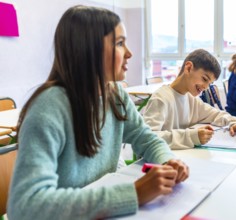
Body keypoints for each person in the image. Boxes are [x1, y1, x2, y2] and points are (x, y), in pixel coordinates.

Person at [8, 5, 189, 220]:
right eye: (120, 43)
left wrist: (167, 160)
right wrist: (134, 194)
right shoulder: (49, 107)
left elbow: (147, 139)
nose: (130, 53)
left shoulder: (116, 95)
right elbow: (25, 206)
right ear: (89, 49)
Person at [143, 49, 236, 150]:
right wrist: (191, 136)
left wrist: (233, 122)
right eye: (205, 79)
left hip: (181, 158)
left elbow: (216, 114)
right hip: (160, 164)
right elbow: (146, 139)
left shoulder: (191, 99)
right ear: (188, 68)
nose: (206, 87)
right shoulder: (161, 98)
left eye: (210, 83)